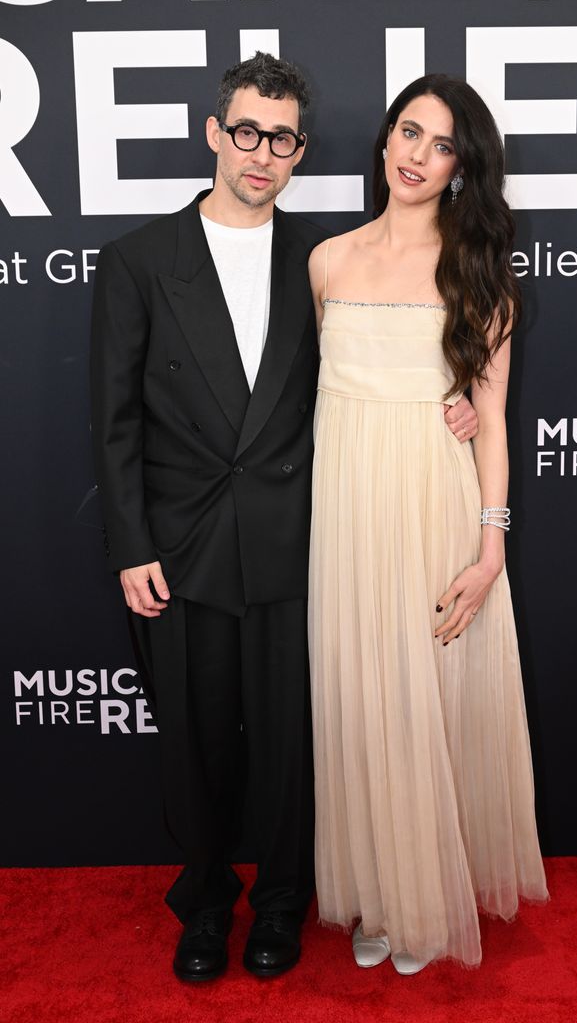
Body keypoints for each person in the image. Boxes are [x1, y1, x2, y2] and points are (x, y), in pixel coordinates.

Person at [90, 54, 478, 983]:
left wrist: (452, 401)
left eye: (284, 138)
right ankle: (206, 904)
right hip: (180, 549)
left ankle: (278, 904)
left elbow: (374, 368)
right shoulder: (139, 260)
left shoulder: (321, 256)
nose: (264, 153)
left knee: (292, 744)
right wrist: (131, 543)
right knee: (192, 741)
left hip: (299, 542)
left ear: (301, 152)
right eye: (249, 132)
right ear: (217, 133)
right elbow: (113, 420)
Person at [308, 74, 549, 975]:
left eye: (441, 145)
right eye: (409, 132)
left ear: (460, 169)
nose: (416, 155)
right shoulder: (326, 261)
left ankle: (425, 899)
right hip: (344, 512)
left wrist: (490, 550)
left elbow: (490, 418)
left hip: (433, 506)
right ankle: (378, 888)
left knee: (427, 703)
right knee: (361, 702)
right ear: (384, 138)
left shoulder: (476, 269)